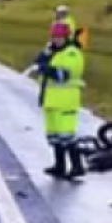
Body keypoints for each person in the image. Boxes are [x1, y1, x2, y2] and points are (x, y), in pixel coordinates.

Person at [28, 21, 86, 181]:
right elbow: (38, 62)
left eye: (59, 37)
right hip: (51, 100)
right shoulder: (54, 51)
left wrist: (44, 67)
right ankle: (59, 166)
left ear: (66, 37)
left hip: (66, 101)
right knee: (54, 136)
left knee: (67, 136)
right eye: (54, 37)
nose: (56, 40)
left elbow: (62, 75)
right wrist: (44, 55)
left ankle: (77, 166)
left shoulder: (72, 53)